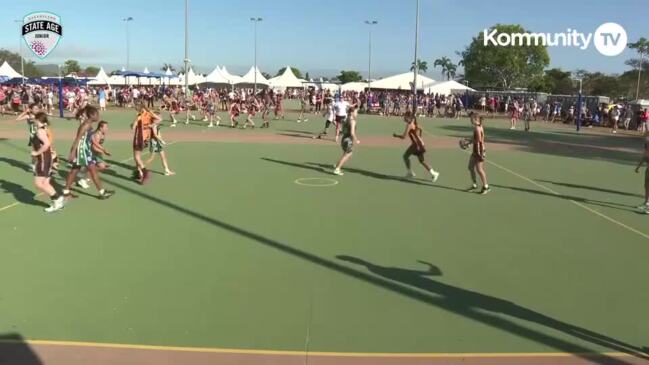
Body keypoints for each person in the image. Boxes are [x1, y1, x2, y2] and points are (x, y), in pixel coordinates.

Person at [63, 105, 114, 199]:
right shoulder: (86, 125)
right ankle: (102, 192)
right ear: (92, 115)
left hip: (85, 149)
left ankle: (66, 191)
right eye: (97, 114)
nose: (98, 116)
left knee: (74, 171)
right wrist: (72, 152)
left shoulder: (89, 124)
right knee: (93, 170)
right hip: (83, 151)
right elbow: (77, 139)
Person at [29, 112, 65, 212]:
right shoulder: (42, 129)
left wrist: (36, 153)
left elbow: (46, 144)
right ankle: (57, 202)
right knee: (45, 182)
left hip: (43, 159)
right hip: (46, 158)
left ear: (38, 120)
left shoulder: (40, 131)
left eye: (35, 118)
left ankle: (57, 199)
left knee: (38, 183)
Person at [392, 111, 440, 182]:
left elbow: (403, 137)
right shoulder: (414, 123)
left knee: (405, 156)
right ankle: (434, 173)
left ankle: (410, 172)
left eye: (405, 116)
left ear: (409, 117)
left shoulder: (409, 125)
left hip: (416, 145)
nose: (404, 117)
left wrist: (396, 136)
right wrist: (420, 137)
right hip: (420, 144)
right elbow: (420, 130)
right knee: (422, 161)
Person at [131, 107, 158, 183]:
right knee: (136, 156)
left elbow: (133, 127)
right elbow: (159, 119)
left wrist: (135, 121)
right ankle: (139, 172)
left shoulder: (140, 116)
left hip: (139, 138)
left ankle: (144, 172)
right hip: (146, 138)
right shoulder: (149, 115)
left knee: (137, 157)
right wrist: (151, 125)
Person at [333, 105, 360, 176]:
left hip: (344, 139)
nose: (357, 114)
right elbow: (352, 132)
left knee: (346, 153)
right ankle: (337, 168)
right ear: (352, 112)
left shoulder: (346, 119)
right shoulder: (353, 121)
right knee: (348, 154)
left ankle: (337, 165)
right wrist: (356, 140)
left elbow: (342, 130)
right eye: (356, 112)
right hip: (348, 140)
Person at [467, 113, 490, 194]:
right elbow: (475, 139)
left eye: (471, 119)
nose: (470, 121)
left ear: (475, 119)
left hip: (479, 150)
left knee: (479, 169)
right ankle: (474, 184)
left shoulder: (477, 128)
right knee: (470, 167)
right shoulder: (478, 127)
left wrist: (470, 143)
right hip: (475, 150)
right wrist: (469, 141)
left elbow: (479, 140)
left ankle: (486, 186)